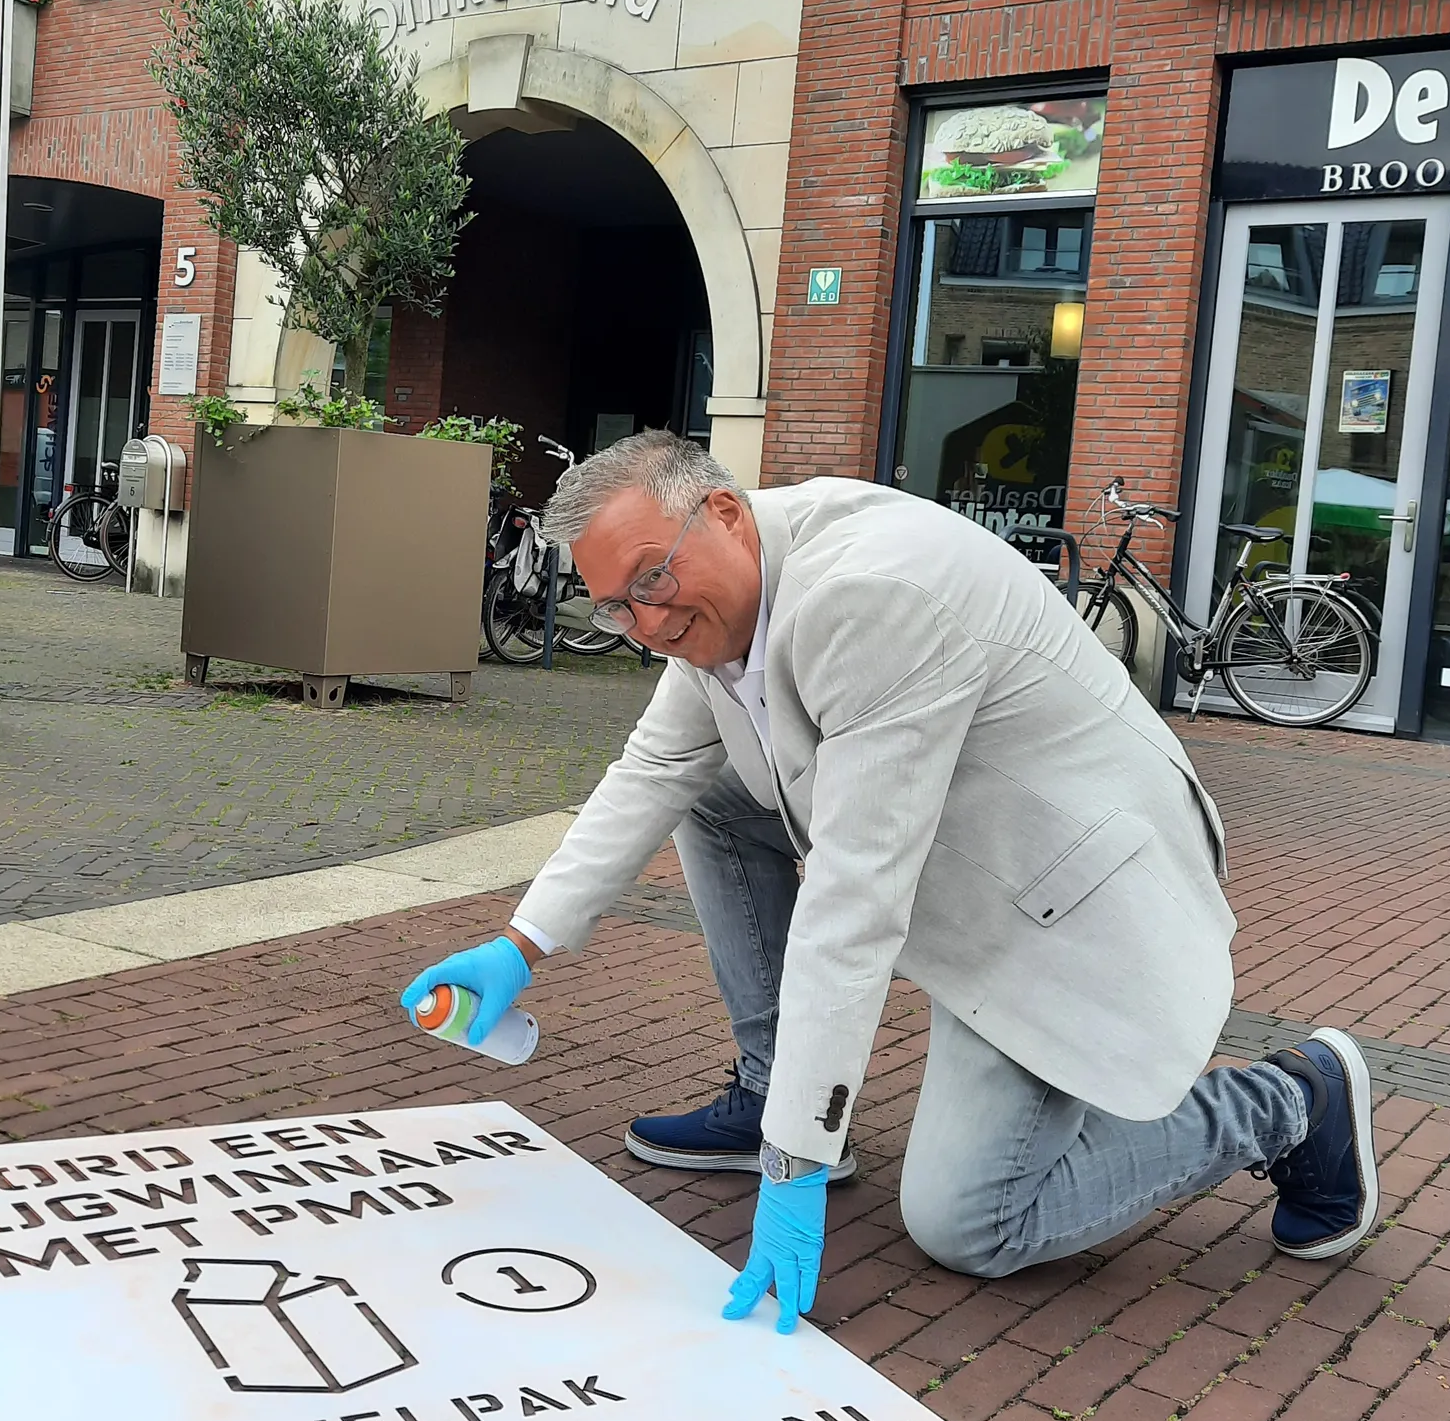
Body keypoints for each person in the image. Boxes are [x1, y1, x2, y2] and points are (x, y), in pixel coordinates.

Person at [402, 434, 1379, 1335]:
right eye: (614, 605)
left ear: (728, 515)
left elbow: (853, 897)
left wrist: (799, 1160)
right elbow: (653, 771)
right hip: (967, 857)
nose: (645, 622)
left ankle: (1293, 1100)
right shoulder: (718, 593)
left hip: (1061, 901)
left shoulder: (868, 595)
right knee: (707, 793)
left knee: (971, 1222)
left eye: (653, 582)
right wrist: (521, 944)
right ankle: (766, 1084)